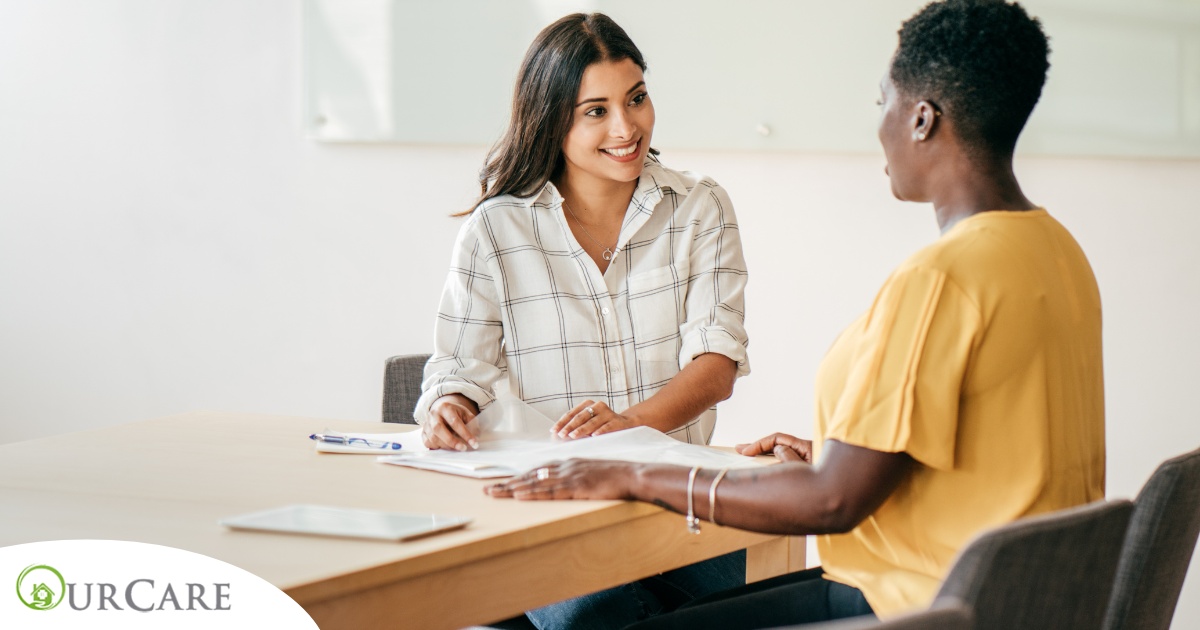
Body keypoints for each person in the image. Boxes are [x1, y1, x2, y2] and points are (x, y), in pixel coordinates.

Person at [486, 1, 1106, 628]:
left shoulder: (940, 280)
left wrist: (635, 475)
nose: (880, 125)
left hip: (913, 605)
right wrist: (836, 456)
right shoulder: (1055, 251)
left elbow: (832, 504)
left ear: (921, 119)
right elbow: (993, 452)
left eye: (882, 102)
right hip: (1017, 600)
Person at [414, 13, 751, 630]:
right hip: (551, 511)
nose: (627, 127)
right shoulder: (495, 230)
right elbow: (458, 368)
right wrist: (450, 404)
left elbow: (716, 366)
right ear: (551, 120)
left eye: (637, 99)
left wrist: (627, 429)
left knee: (730, 608)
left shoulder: (700, 207)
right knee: (597, 616)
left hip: (678, 506)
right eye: (595, 111)